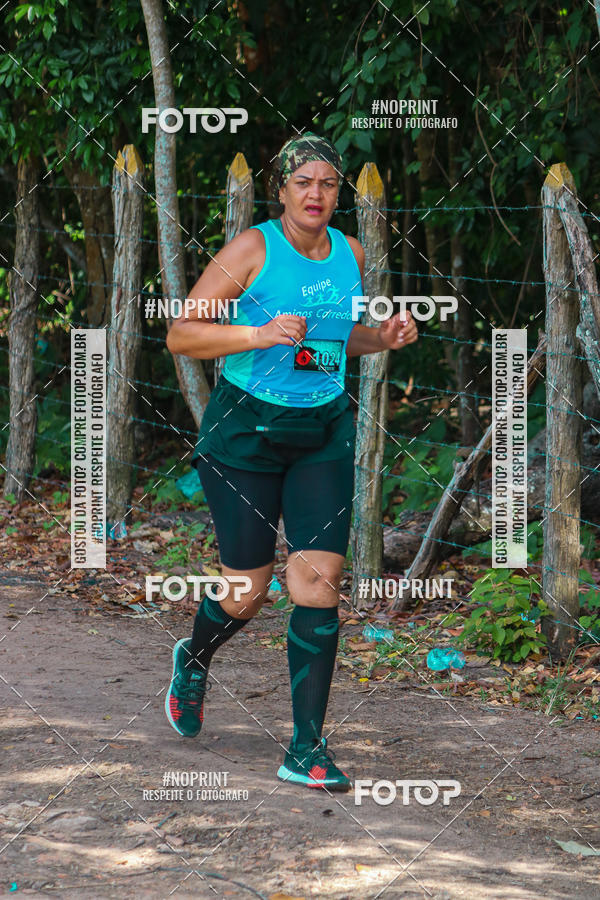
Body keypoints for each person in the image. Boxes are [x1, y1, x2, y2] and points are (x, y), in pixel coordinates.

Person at [164, 132, 418, 792]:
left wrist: (381, 337)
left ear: (339, 194)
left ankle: (306, 748)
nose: (316, 194)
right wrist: (257, 332)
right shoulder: (254, 249)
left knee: (317, 585)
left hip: (322, 434)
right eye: (304, 182)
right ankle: (194, 657)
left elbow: (333, 343)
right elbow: (183, 332)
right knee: (245, 592)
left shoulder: (350, 254)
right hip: (245, 431)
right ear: (281, 190)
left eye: (328, 184)